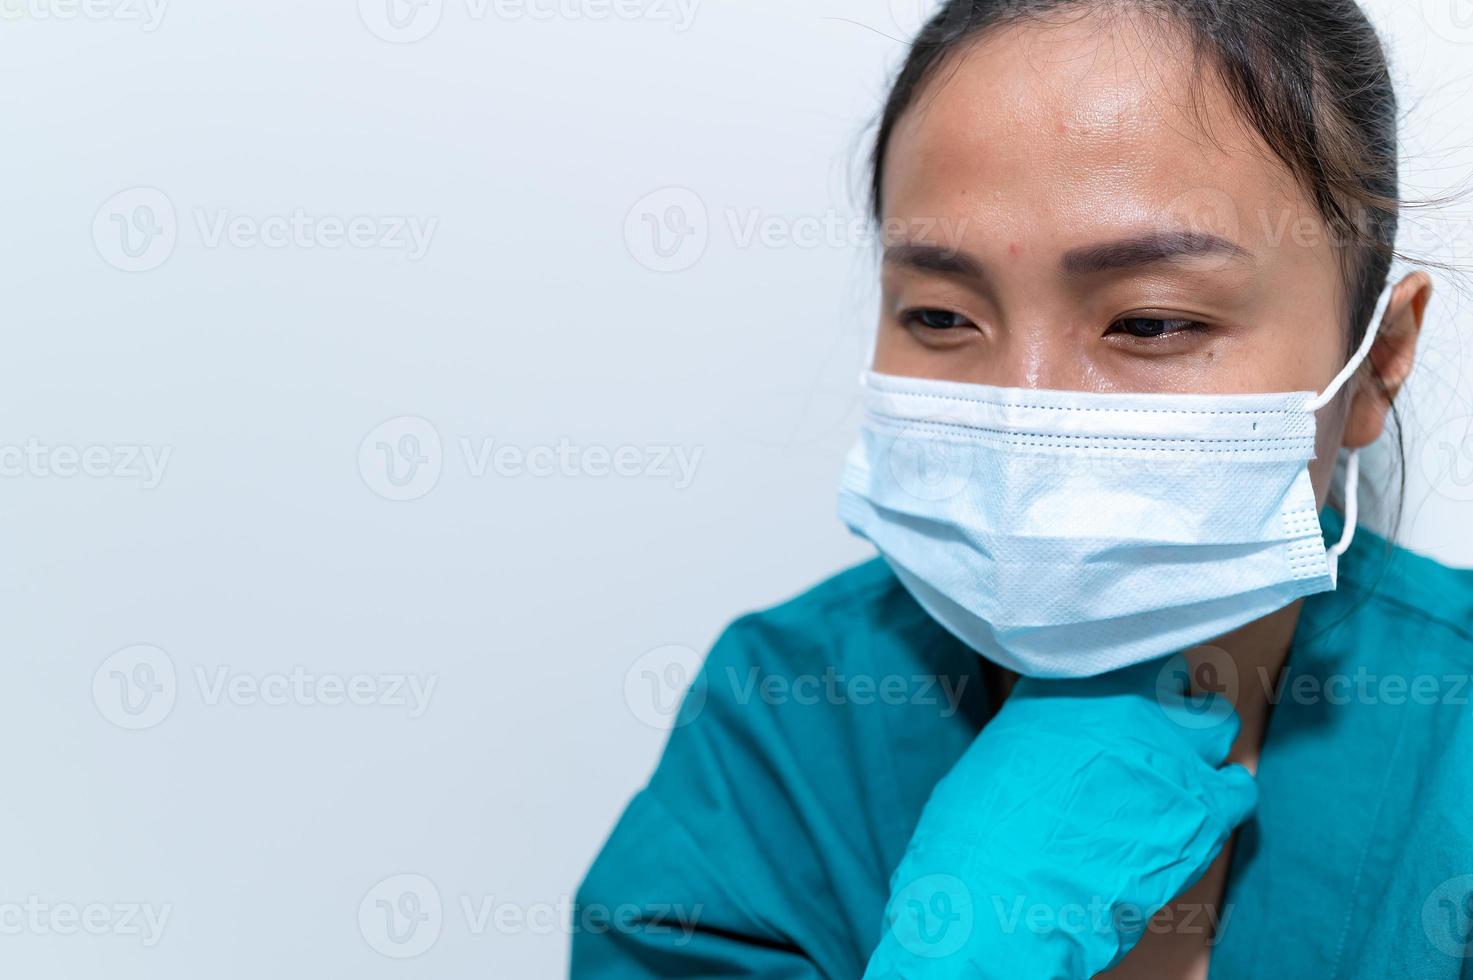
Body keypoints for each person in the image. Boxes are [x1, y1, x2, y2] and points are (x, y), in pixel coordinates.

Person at [574, 1, 1472, 976]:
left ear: (1379, 360)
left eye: (1151, 322)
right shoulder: (784, 728)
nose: (1024, 412)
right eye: (941, 314)